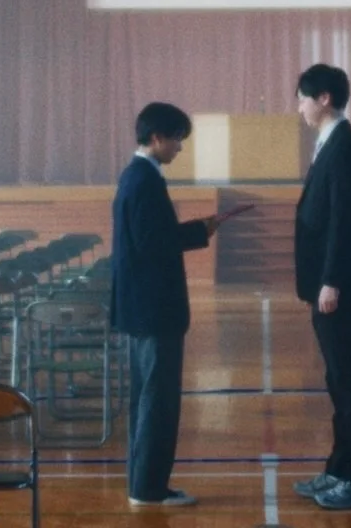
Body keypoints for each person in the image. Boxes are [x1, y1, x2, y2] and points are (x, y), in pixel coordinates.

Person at [109, 101, 224, 508]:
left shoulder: (137, 177)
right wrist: (197, 231)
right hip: (154, 310)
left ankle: (144, 484)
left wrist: (196, 230)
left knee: (148, 398)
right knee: (157, 399)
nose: (179, 147)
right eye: (176, 139)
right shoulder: (143, 180)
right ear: (156, 137)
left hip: (144, 309)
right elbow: (152, 244)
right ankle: (148, 488)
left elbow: (149, 238)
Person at [289, 63, 351, 510]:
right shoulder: (331, 142)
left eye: (303, 97)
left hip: (337, 285)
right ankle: (340, 468)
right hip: (327, 282)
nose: (299, 107)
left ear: (324, 98)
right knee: (337, 380)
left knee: (350, 381)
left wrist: (331, 281)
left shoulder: (344, 144)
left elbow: (344, 223)